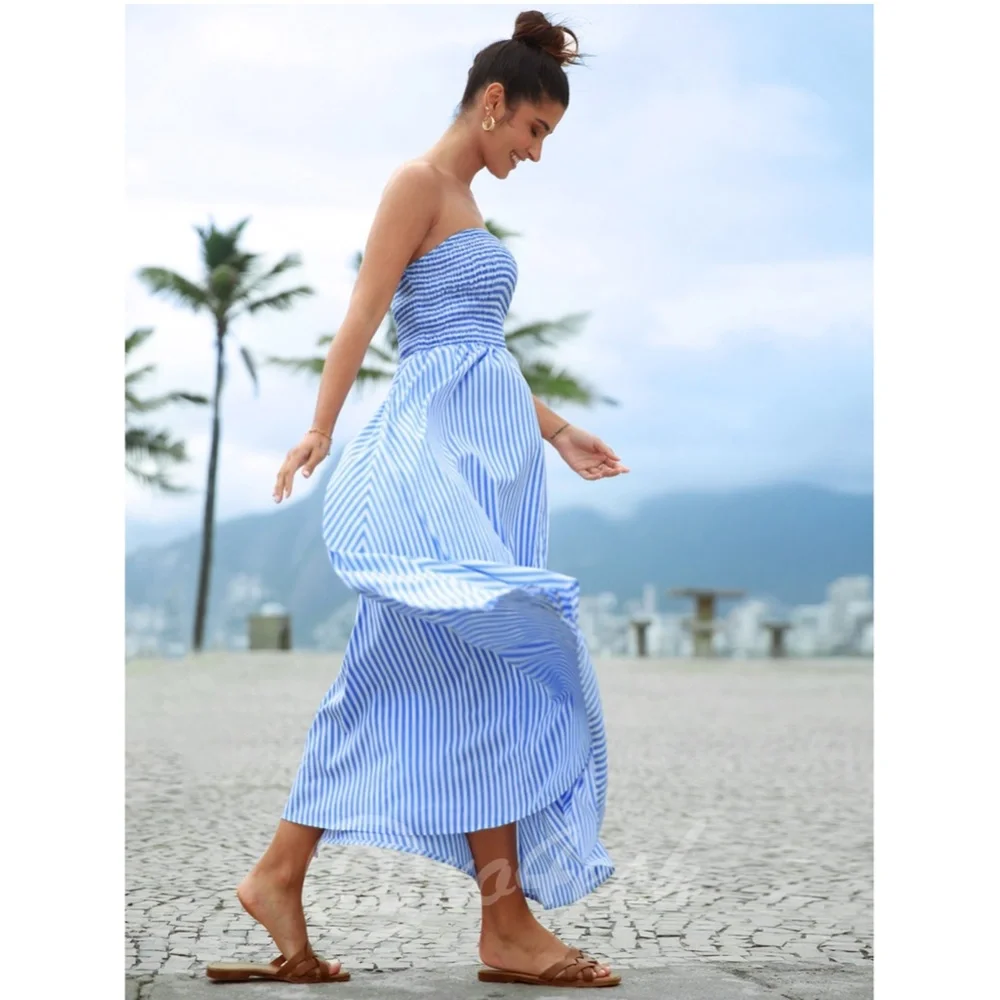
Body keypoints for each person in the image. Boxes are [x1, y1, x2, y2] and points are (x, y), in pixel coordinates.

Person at [206, 9, 629, 989]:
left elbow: (478, 349)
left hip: (483, 465)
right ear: (493, 102)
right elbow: (365, 313)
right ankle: (503, 923)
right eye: (533, 130)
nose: (534, 153)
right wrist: (320, 426)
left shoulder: (465, 203)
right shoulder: (417, 185)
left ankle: (284, 875)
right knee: (491, 661)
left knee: (416, 672)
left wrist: (555, 429)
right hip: (431, 465)